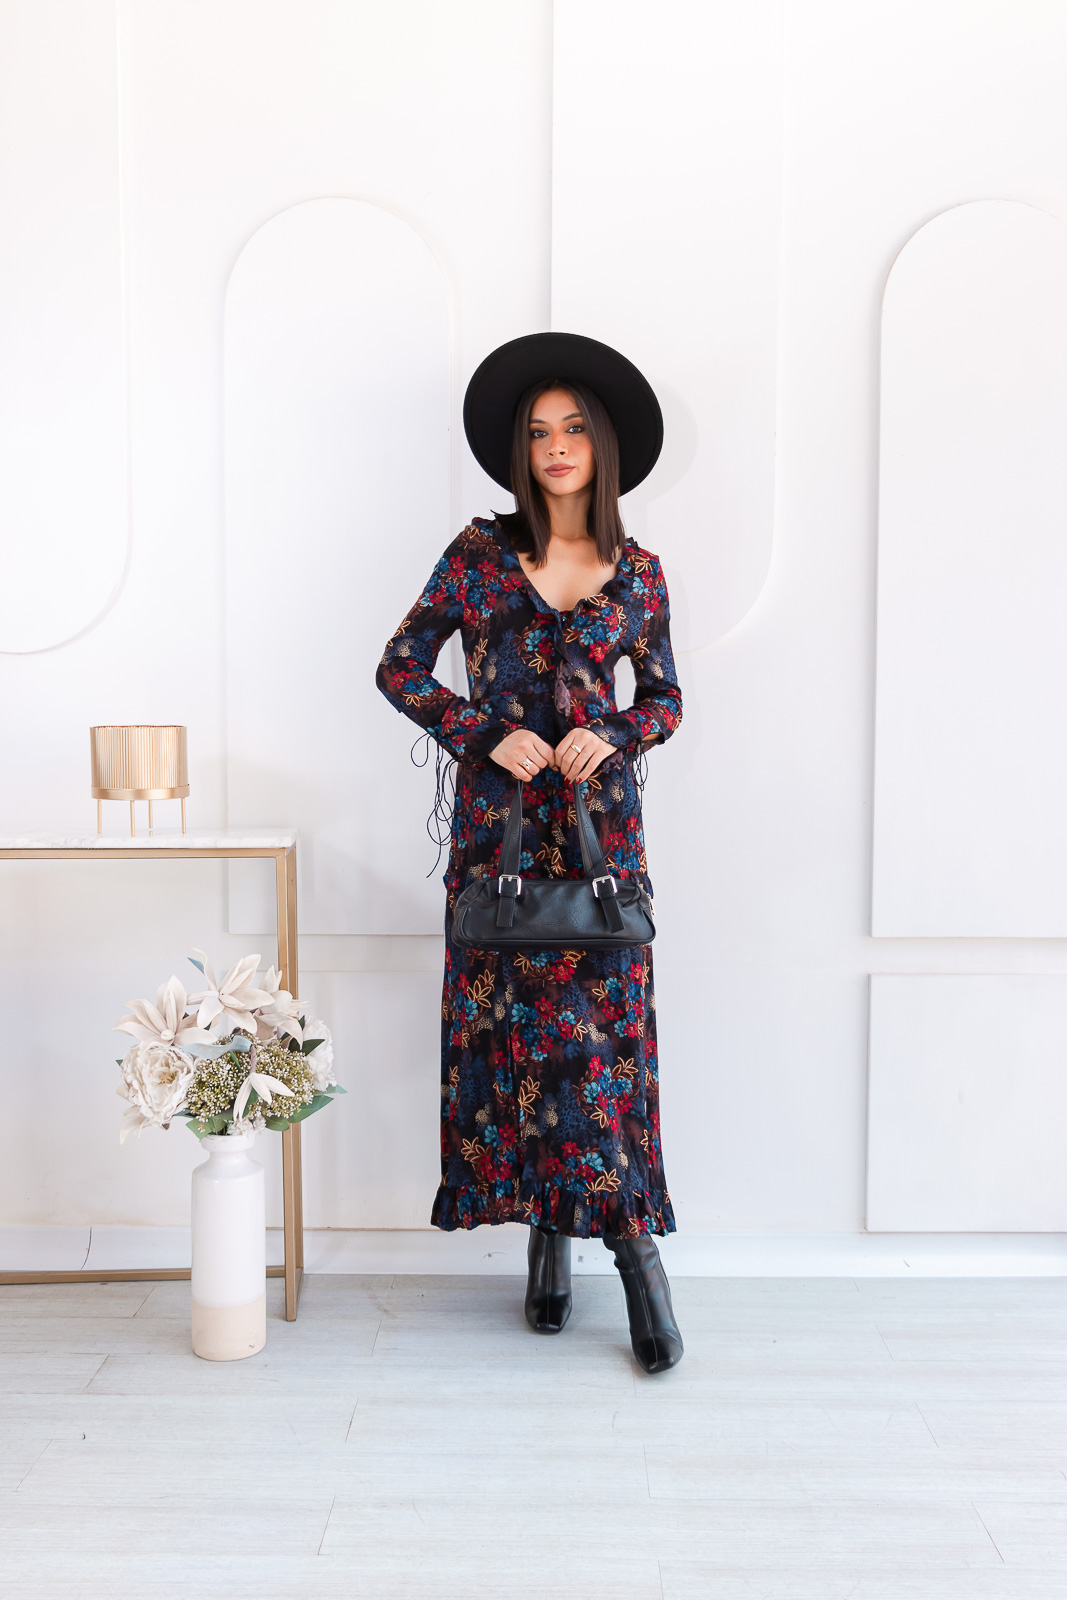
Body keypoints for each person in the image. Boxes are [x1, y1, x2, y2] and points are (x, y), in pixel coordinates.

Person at [376, 332, 684, 1373]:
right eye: (539, 431)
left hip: (598, 842)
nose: (555, 446)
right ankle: (546, 1236)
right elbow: (400, 664)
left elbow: (666, 697)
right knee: (515, 1045)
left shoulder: (639, 575)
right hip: (499, 836)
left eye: (572, 429)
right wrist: (480, 731)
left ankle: (634, 1259)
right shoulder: (476, 554)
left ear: (601, 446)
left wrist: (619, 732)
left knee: (598, 1053)